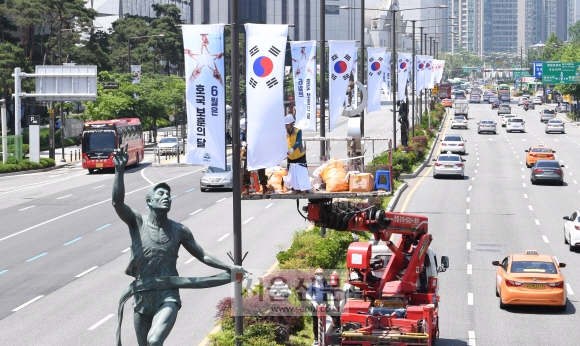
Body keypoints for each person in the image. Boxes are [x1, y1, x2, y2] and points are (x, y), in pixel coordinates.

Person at [112, 146, 248, 346]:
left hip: (168, 294)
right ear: (149, 201)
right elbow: (117, 202)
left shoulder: (179, 230)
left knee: (154, 340)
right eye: (160, 194)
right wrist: (119, 171)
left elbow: (202, 254)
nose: (166, 197)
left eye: (168, 194)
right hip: (142, 296)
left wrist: (229, 268)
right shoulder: (137, 223)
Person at [306, 268, 336, 345]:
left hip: (325, 304)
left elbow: (331, 294)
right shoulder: (312, 285)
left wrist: (332, 305)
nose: (319, 276)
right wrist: (313, 302)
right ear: (315, 275)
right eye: (317, 274)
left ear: (323, 275)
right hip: (315, 306)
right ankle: (316, 338)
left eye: (320, 274)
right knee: (315, 323)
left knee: (335, 316)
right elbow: (307, 295)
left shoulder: (326, 284)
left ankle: (336, 333)